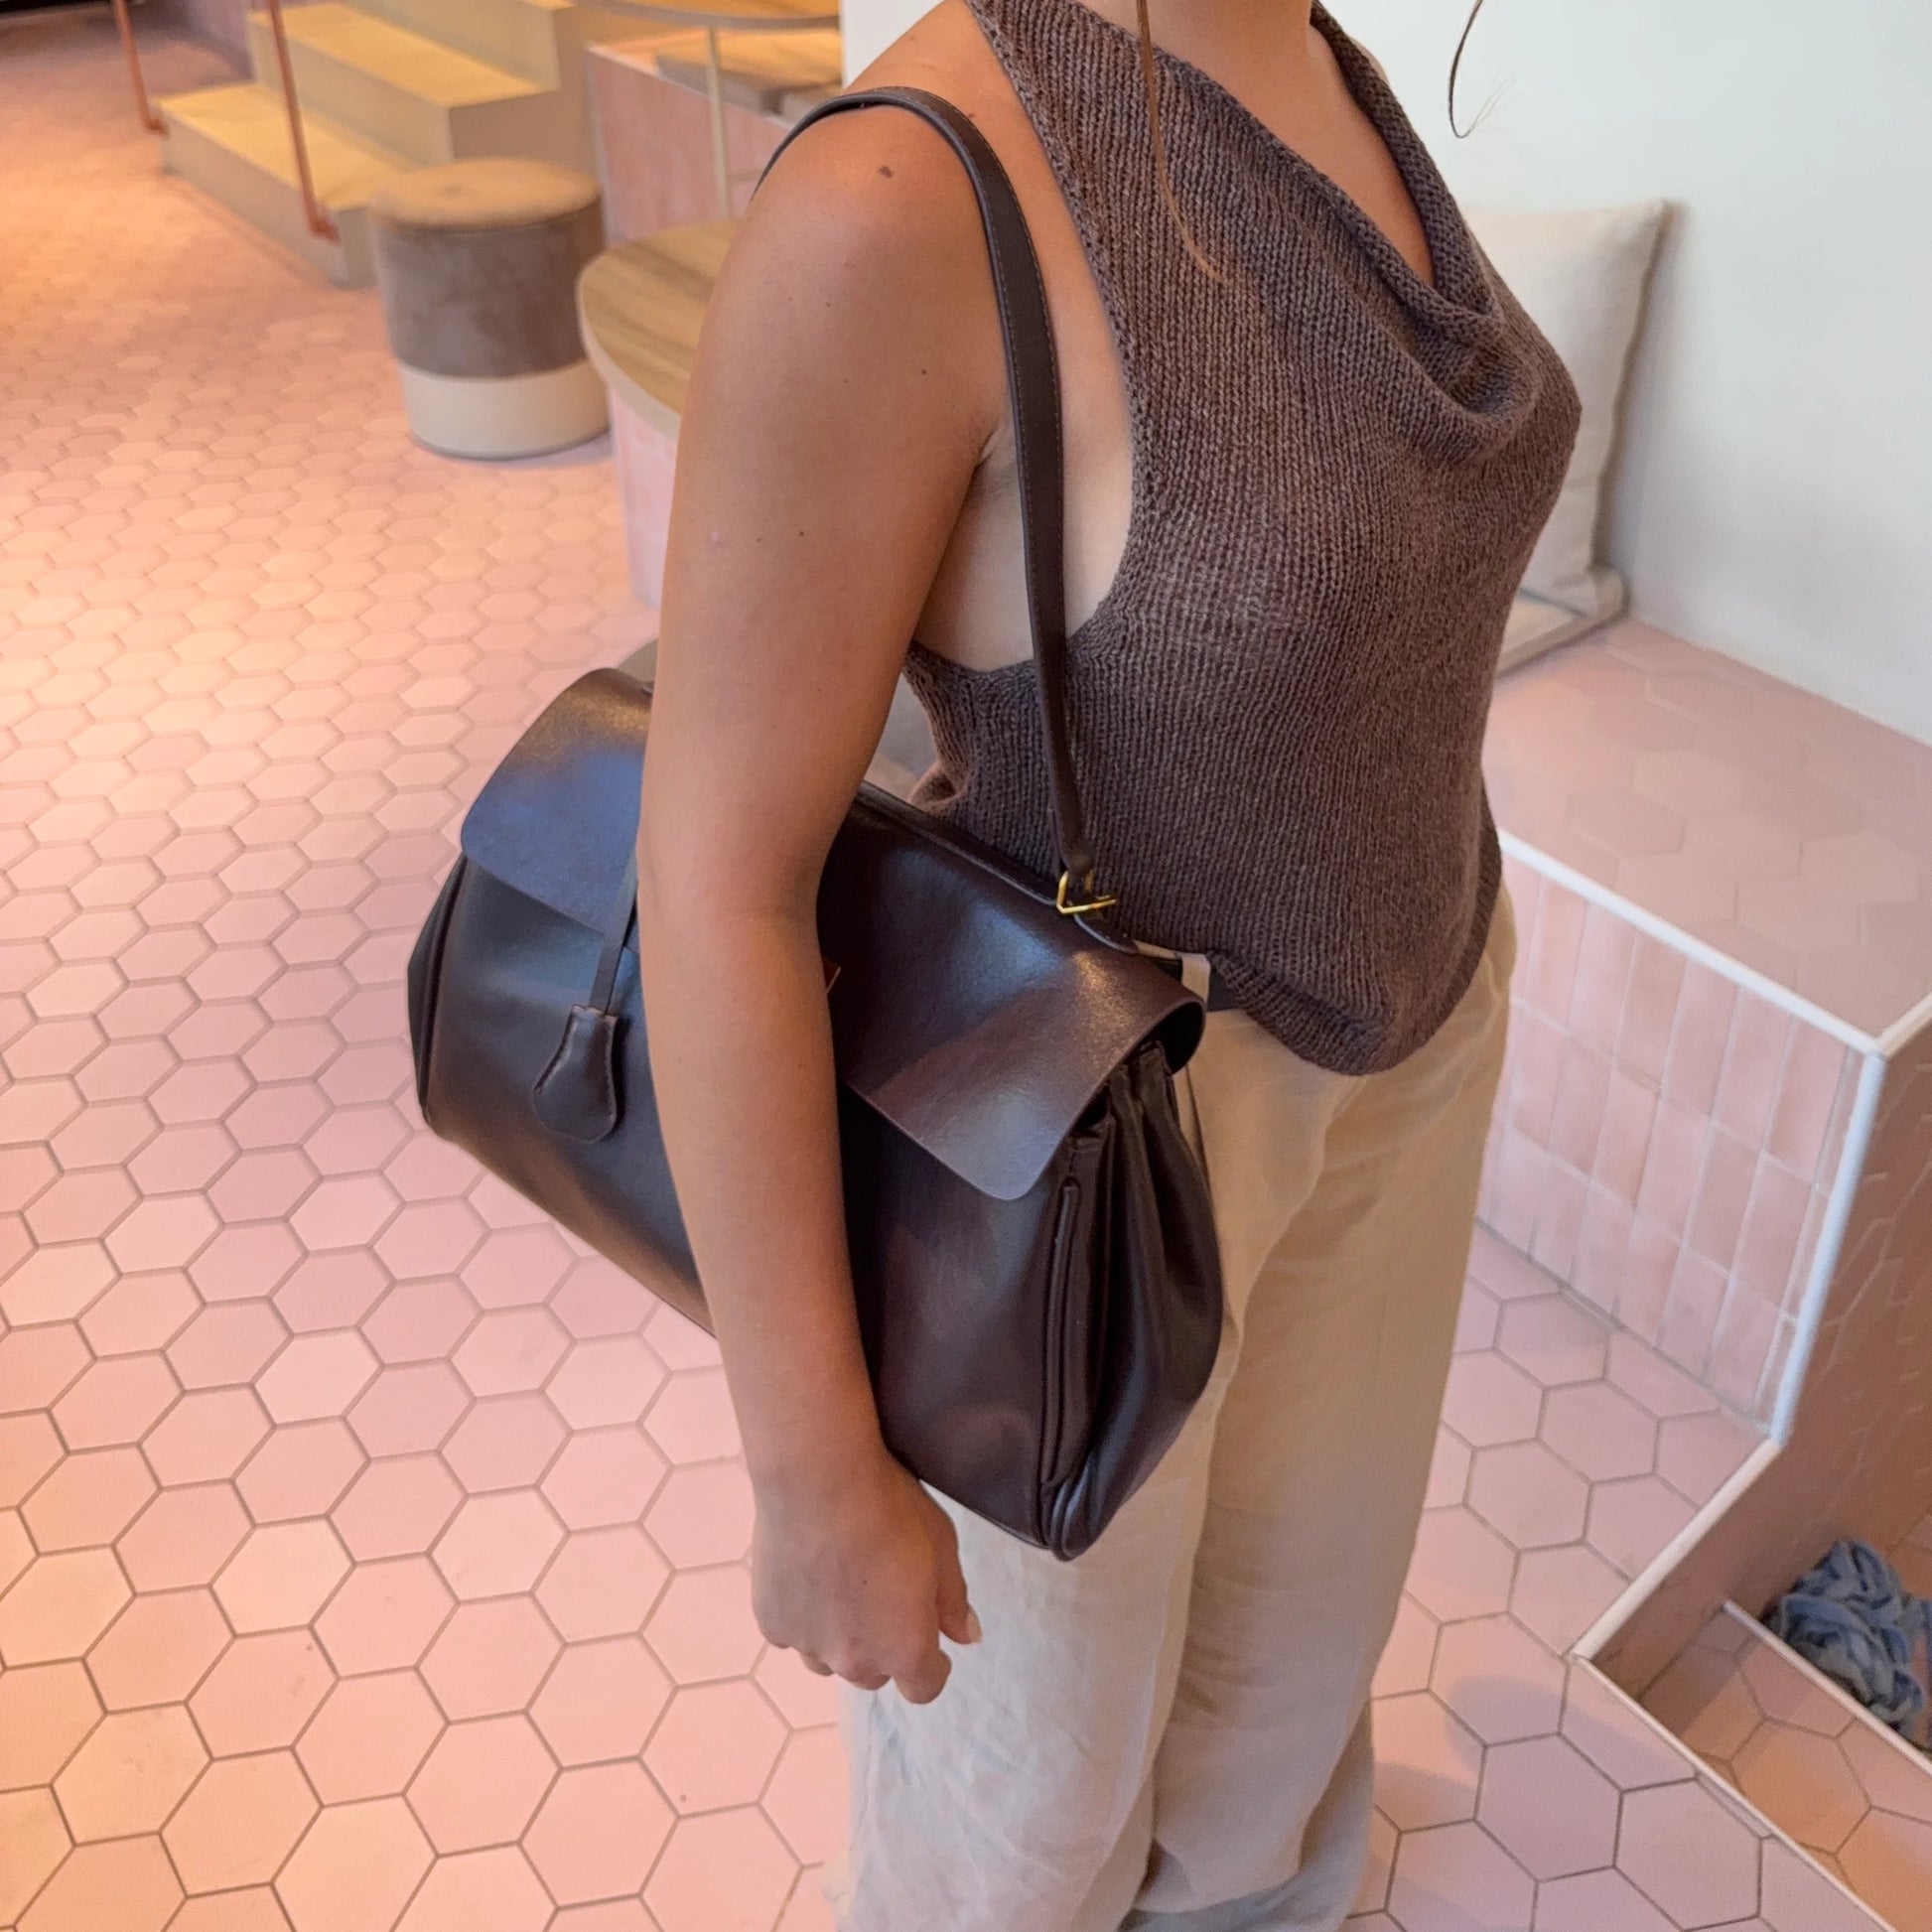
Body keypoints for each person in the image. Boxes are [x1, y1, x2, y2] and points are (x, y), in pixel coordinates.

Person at [634, 0, 1580, 1923]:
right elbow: (717, 872)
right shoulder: (892, 199)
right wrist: (812, 1471)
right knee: (1029, 1815)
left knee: (1277, 1723)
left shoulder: (1308, 49)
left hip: (1412, 1036)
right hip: (1093, 1145)